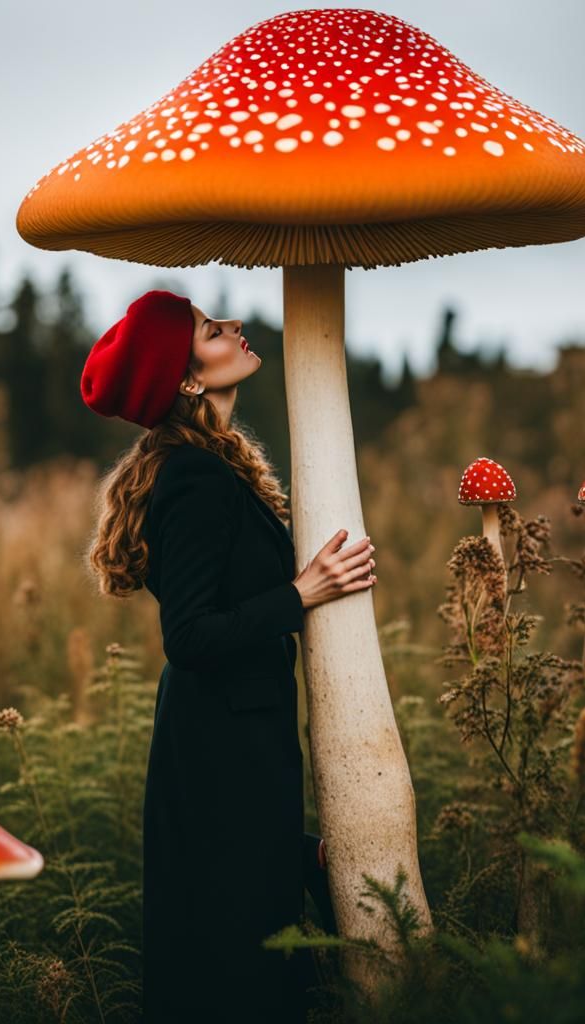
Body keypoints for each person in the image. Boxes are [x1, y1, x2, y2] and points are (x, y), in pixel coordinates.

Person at [82, 290, 378, 1023]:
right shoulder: (195, 477)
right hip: (220, 743)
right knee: (237, 952)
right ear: (187, 379)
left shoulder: (213, 464)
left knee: (246, 934)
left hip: (233, 735)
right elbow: (189, 636)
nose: (236, 327)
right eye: (213, 331)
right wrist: (301, 592)